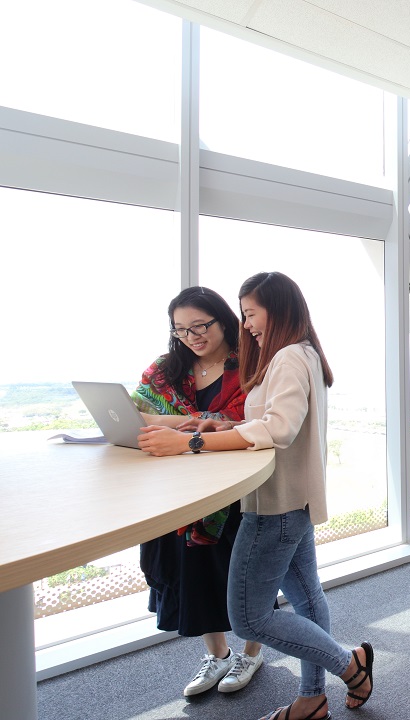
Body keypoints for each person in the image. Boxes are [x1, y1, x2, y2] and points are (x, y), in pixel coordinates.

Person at [138, 272, 372, 720]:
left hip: (275, 507)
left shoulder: (287, 358)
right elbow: (270, 421)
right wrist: (217, 426)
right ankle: (312, 697)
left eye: (249, 315)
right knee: (307, 601)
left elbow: (277, 430)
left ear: (277, 309)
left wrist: (193, 443)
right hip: (294, 502)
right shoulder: (300, 354)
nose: (246, 325)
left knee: (248, 619)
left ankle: (351, 665)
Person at [131, 286, 265, 696]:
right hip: (178, 490)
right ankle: (219, 655)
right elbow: (138, 412)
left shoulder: (251, 365)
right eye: (181, 330)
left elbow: (241, 423)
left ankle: (251, 652)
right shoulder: (167, 368)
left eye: (200, 326)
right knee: (192, 576)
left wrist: (171, 423)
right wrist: (184, 422)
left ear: (224, 320)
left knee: (241, 576)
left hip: (235, 488)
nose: (192, 337)